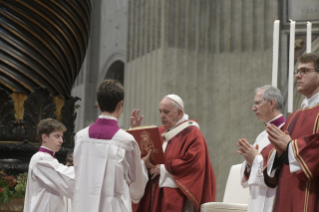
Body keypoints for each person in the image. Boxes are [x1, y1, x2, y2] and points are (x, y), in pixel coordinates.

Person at [73, 79, 149, 212]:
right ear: (120, 104)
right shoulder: (127, 141)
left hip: (84, 205)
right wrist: (142, 164)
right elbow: (138, 185)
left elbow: (78, 172)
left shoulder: (80, 137)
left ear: (98, 104)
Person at [131, 94, 216, 212]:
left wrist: (163, 168)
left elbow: (195, 164)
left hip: (176, 195)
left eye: (166, 112)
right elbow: (146, 155)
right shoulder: (160, 133)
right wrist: (136, 132)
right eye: (160, 112)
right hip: (155, 193)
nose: (162, 116)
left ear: (180, 113)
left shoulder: (192, 134)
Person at [262, 53, 319, 211]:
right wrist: (280, 153)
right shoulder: (294, 116)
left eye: (305, 71)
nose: (298, 76)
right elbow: (281, 149)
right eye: (297, 71)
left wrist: (291, 147)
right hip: (287, 193)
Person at [236, 85, 285, 212]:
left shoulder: (286, 132)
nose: (253, 108)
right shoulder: (261, 136)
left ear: (271, 103)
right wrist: (249, 163)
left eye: (257, 103)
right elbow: (248, 179)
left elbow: (279, 173)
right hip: (256, 202)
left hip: (274, 201)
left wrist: (255, 159)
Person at [24, 118, 75, 212]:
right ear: (44, 137)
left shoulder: (50, 158)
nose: (61, 141)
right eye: (57, 136)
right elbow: (66, 179)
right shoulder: (40, 159)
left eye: (61, 137)